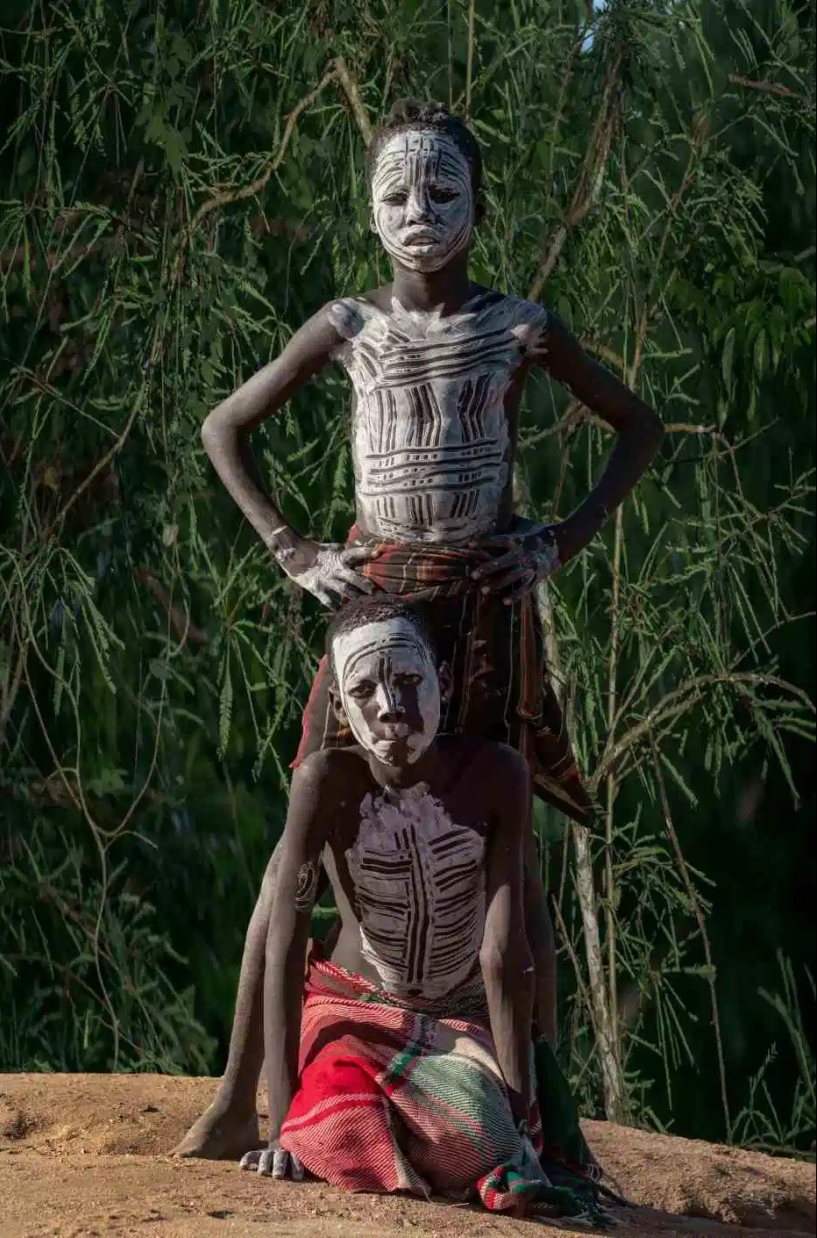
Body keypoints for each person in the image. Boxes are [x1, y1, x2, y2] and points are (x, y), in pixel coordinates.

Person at [173, 97, 663, 1160]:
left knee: (510, 848)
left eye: (443, 190)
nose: (418, 211)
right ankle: (237, 1094)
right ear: (367, 210)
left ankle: (550, 1121)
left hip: (485, 603)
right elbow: (224, 426)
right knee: (302, 839)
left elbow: (639, 426)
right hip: (373, 609)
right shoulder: (348, 325)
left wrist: (559, 541)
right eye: (395, 192)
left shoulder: (521, 327)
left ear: (479, 208)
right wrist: (289, 546)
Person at [239, 594, 610, 1222]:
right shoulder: (325, 785)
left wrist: (522, 1121)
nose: (390, 706)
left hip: (462, 1018)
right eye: (364, 691)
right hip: (355, 1009)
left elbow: (504, 950)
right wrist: (281, 1127)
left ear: (443, 680)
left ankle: (464, 1146)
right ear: (340, 708)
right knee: (332, 1111)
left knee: (483, 1125)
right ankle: (373, 1141)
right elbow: (285, 944)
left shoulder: (495, 777)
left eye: (409, 681)